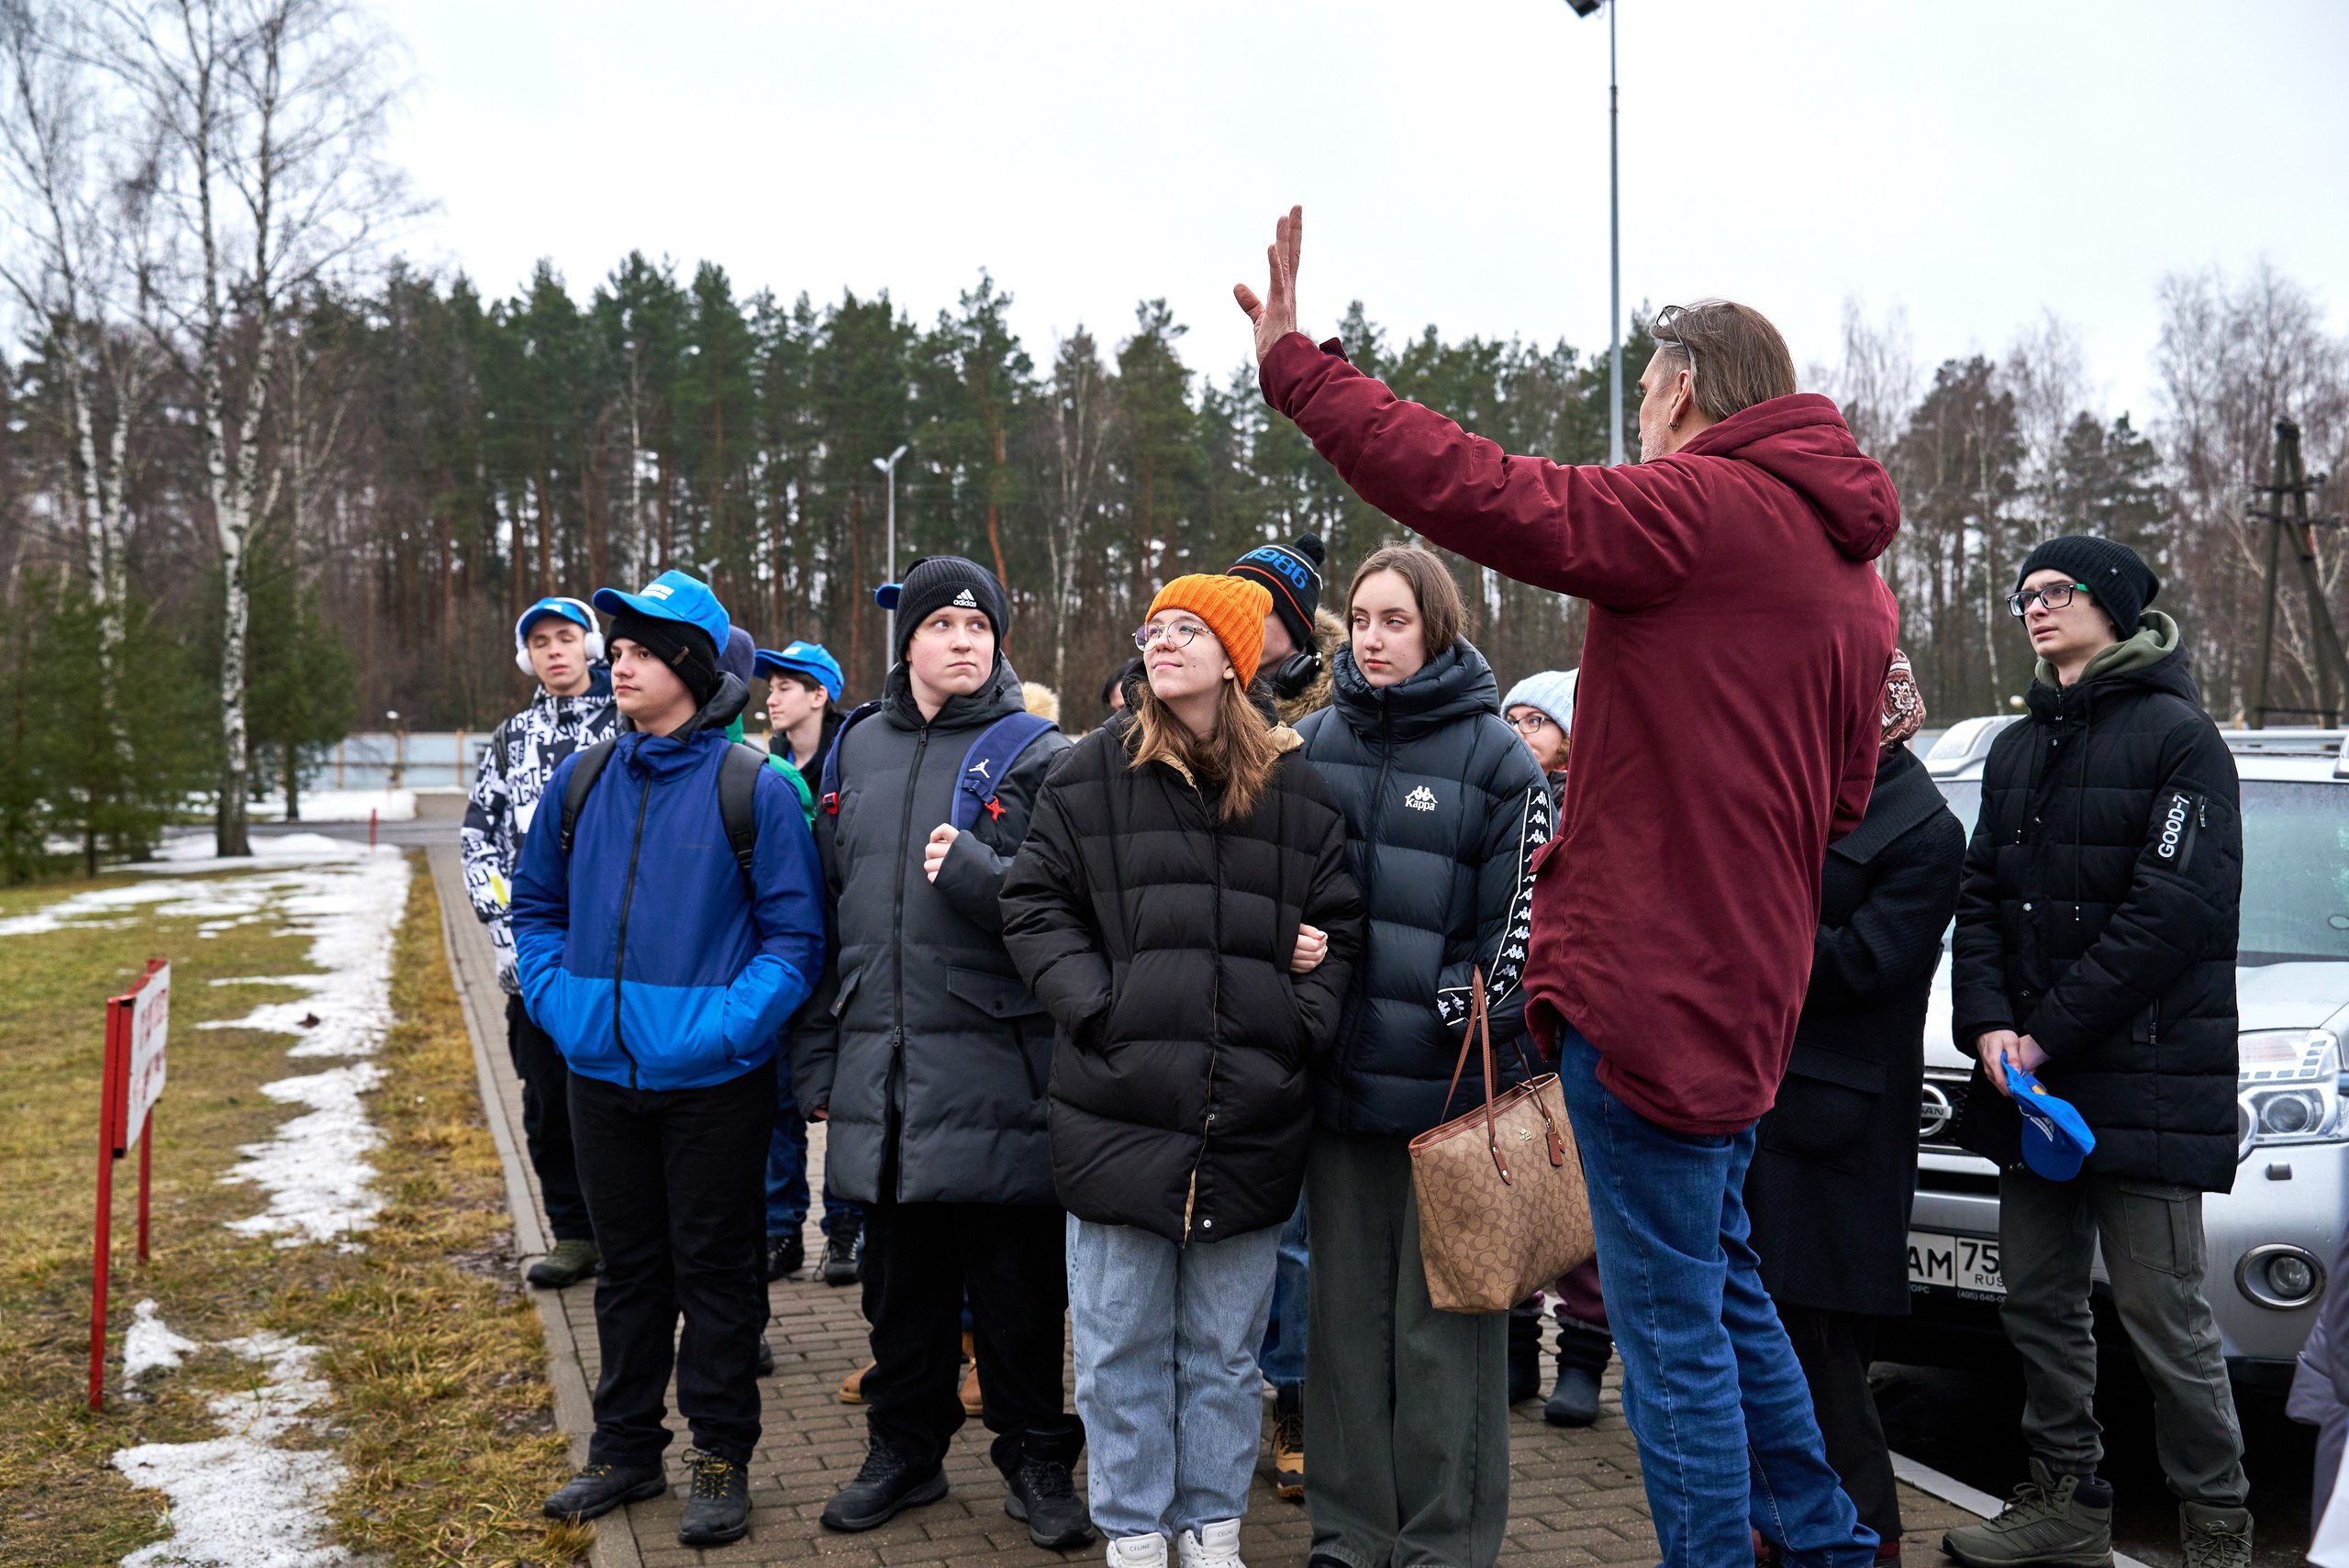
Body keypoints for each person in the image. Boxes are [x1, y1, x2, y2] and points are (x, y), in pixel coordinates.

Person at [1238, 210, 1894, 1568]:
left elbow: (1479, 487)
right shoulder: (1853, 577)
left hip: (1648, 991)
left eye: (1648, 398)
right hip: (1746, 991)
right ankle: (1826, 1546)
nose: (1641, 427)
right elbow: (1841, 800)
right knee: (1725, 1287)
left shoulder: (1700, 509)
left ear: (1690, 396)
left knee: (1669, 1336)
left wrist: (1305, 371)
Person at [1003, 573, 1364, 1568]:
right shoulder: (1088, 773)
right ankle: (1131, 1529)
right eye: (1152, 627)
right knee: (1118, 1351)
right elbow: (1034, 906)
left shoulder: (1298, 789)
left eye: (1186, 629)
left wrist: (1298, 1022)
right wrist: (1098, 1009)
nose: (1160, 642)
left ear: (1236, 656)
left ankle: (1209, 1529)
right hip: (1117, 1109)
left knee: (1220, 1351)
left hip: (1250, 1114)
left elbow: (1341, 931)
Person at [1947, 538, 2251, 1568]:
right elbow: (1979, 892)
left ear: (2112, 604)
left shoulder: (2180, 739)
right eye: (2022, 594)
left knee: (2166, 1322)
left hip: (2148, 1082)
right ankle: (2065, 1501)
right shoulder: (2015, 746)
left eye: (2055, 591)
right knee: (2036, 1299)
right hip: (2033, 1086)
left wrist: (2047, 1028)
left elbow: (2173, 910)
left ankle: (2218, 1529)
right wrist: (1987, 1021)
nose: (2033, 608)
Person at [515, 570, 826, 1548]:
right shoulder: (583, 779)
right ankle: (623, 1447)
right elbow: (536, 911)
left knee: (719, 1275)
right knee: (626, 1273)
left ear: (689, 666)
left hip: (714, 1085)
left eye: (642, 651)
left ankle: (720, 1457)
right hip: (599, 1073)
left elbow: (795, 943)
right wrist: (565, 1009)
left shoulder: (758, 788)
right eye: (619, 650)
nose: (621, 663)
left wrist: (723, 1031)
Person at [791, 555, 1092, 1551]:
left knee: (1016, 1293)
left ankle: (1037, 1456)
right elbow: (827, 918)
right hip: (882, 1073)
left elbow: (1073, 916)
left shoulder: (1038, 753)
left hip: (1003, 1076)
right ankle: (904, 1449)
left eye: (980, 625)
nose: (964, 640)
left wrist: (978, 876)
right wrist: (821, 1055)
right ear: (906, 638)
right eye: (943, 624)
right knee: (899, 1294)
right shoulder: (853, 750)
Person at [1289, 547, 1549, 1568]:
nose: (1370, 636)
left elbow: (1524, 928)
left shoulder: (1499, 760)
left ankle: (1442, 1538)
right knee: (1344, 1333)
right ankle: (1349, 1533)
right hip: (1339, 1091)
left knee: (1445, 1336)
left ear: (1435, 626)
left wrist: (1474, 993)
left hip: (1451, 1104)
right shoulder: (1308, 744)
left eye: (1393, 618)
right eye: (1358, 617)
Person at [1744, 651, 1963, 1565]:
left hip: (1843, 1127)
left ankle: (1869, 1535)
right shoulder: (1802, 793)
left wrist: (1755, 918)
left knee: (1826, 1348)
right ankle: (1780, 1522)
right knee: (1766, 1334)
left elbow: (1868, 965)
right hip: (1764, 1099)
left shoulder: (1925, 827)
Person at [1224, 532, 1344, 1497]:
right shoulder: (1197, 698)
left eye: (1257, 606)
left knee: (1297, 1230)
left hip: (1302, 996)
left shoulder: (1335, 717)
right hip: (1213, 997)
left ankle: (1295, 1393)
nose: (1238, 619)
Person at [461, 595, 619, 1290]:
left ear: (588, 645)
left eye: (566, 637)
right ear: (528, 657)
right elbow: (477, 839)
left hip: (618, 962)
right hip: (535, 963)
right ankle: (574, 1233)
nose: (555, 651)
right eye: (541, 642)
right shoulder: (511, 738)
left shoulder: (628, 723)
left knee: (615, 1103)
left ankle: (628, 1236)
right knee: (547, 1103)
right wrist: (506, 934)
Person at [1497, 668, 1617, 1429]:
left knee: (1580, 1204)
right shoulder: (1497, 804)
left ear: (1572, 735)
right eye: (1508, 718)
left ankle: (1582, 1356)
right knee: (1510, 1195)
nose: (1517, 732)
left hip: (1575, 1026)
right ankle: (1513, 1346)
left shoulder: (1597, 808)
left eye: (1534, 721)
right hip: (1507, 1027)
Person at [751, 639, 861, 1285]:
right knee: (777, 1107)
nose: (773, 695)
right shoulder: (762, 770)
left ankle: (844, 1231)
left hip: (842, 963)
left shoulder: (850, 766)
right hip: (783, 960)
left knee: (843, 1103)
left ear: (820, 694)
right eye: (770, 685)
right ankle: (779, 1230)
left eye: (788, 685)